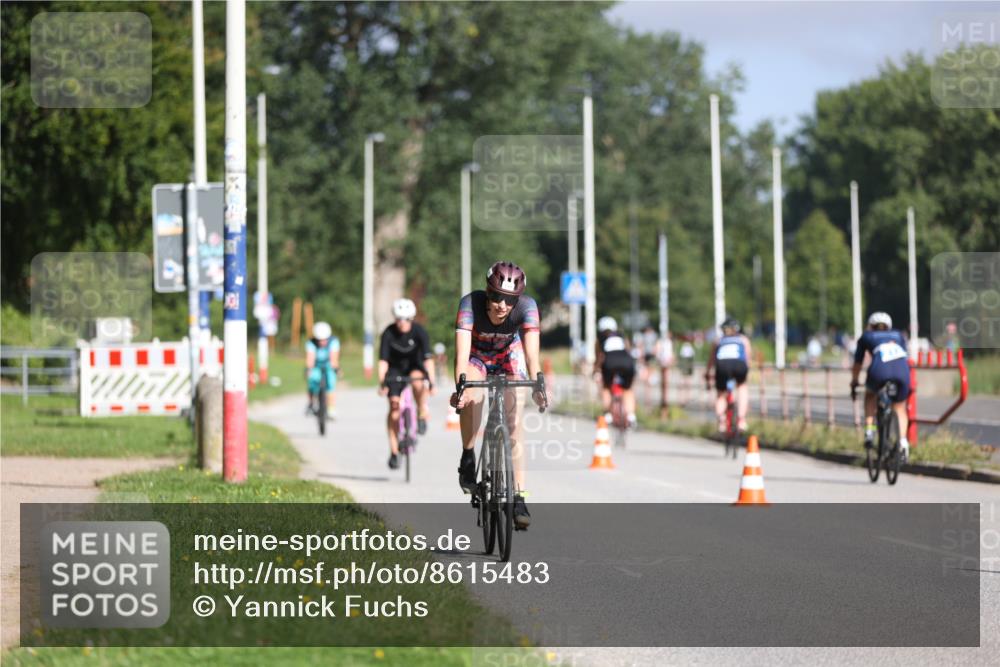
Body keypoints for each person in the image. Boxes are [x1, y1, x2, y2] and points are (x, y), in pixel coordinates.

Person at [450, 261, 546, 530]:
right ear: (486, 292)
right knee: (472, 395)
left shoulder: (528, 308)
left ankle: (519, 497)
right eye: (496, 297)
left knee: (514, 422)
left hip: (508, 355)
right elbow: (461, 356)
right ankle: (468, 455)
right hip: (476, 357)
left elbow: (532, 357)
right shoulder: (469, 305)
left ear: (518, 300)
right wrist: (462, 388)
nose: (502, 305)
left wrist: (539, 386)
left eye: (509, 300)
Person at [378, 298, 436, 470]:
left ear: (411, 319)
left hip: (414, 366)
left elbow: (427, 359)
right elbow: (383, 361)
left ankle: (421, 412)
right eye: (398, 319)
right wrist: (382, 383)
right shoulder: (388, 333)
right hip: (395, 370)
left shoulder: (419, 332)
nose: (401, 323)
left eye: (405, 319)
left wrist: (431, 381)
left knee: (418, 382)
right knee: (394, 407)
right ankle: (394, 451)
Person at [850, 311, 911, 460]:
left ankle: (870, 431)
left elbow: (858, 363)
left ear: (871, 326)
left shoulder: (867, 336)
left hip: (879, 371)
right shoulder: (898, 335)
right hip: (902, 372)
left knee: (870, 395)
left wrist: (854, 381)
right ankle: (903, 442)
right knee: (900, 407)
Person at [704, 317, 751, 433]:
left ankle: (722, 422)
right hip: (739, 364)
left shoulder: (718, 340)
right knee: (742, 387)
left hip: (722, 366)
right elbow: (747, 359)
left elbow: (711, 361)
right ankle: (741, 419)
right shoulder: (743, 339)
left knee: (721, 395)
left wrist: (707, 373)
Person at [595, 316, 637, 429]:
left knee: (606, 387)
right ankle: (631, 417)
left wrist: (596, 370)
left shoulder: (601, 338)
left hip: (610, 362)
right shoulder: (622, 336)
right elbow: (628, 351)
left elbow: (599, 357)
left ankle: (608, 414)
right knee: (627, 389)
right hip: (627, 362)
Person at [305, 321, 340, 418]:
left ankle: (331, 408)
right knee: (312, 382)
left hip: (329, 364)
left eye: (324, 339)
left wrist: (336, 369)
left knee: (331, 384)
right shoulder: (311, 343)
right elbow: (310, 359)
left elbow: (334, 358)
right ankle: (311, 403)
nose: (322, 342)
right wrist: (308, 370)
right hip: (316, 365)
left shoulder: (334, 342)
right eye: (320, 340)